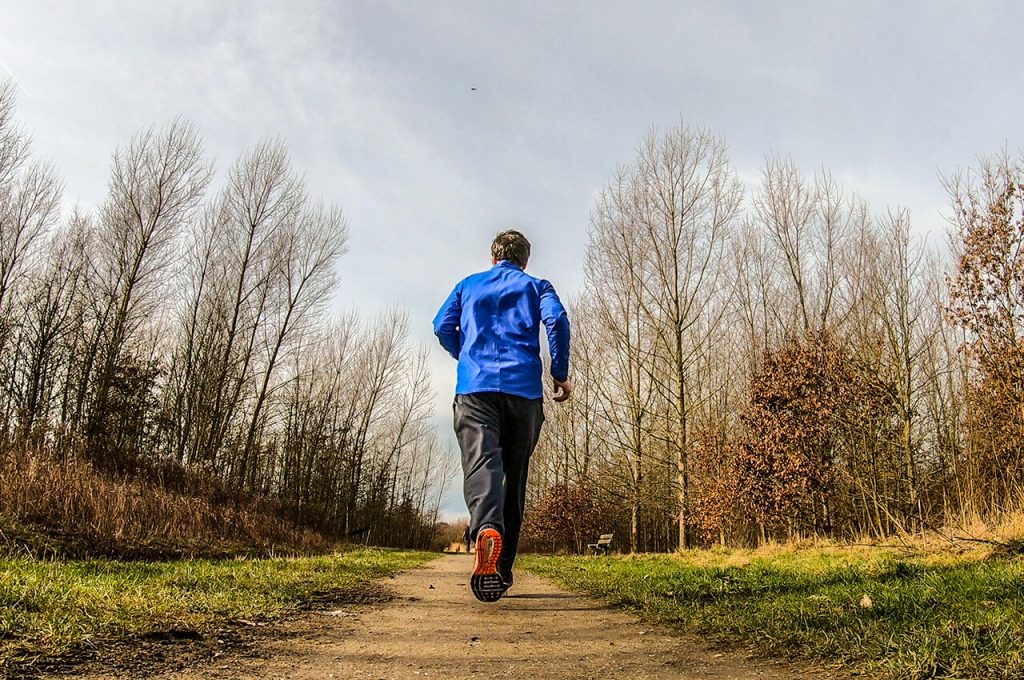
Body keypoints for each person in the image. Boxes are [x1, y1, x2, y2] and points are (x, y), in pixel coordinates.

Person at [433, 230, 572, 602]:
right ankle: (503, 570)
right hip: (523, 394)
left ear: (493, 257)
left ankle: (485, 530)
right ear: (524, 260)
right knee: (515, 477)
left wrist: (464, 353)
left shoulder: (468, 285)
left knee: (482, 466)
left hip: (475, 389)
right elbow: (557, 322)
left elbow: (441, 326)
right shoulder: (537, 286)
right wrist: (559, 373)